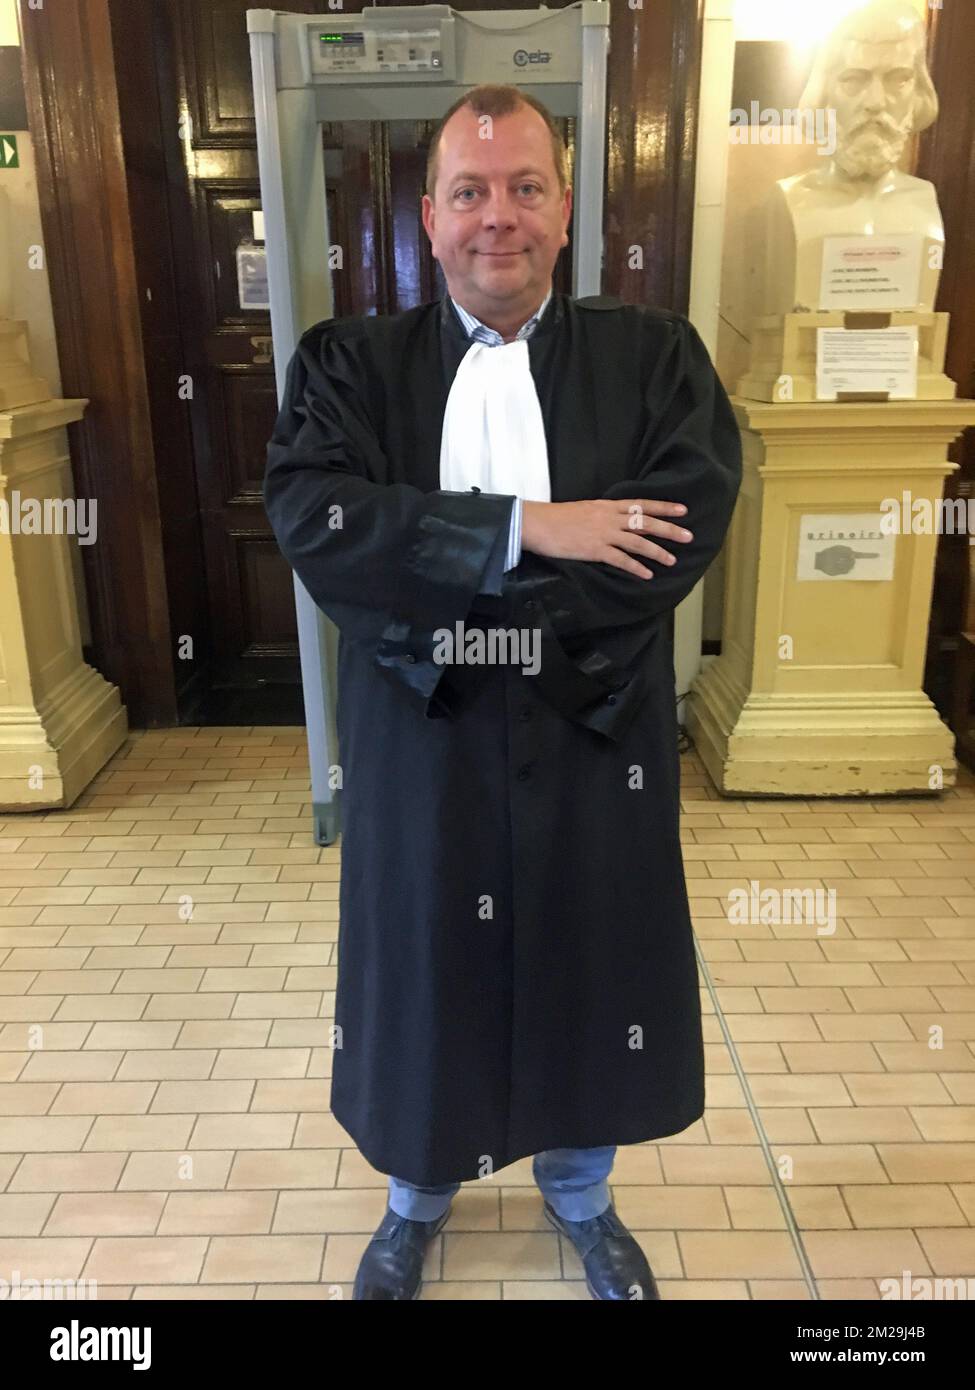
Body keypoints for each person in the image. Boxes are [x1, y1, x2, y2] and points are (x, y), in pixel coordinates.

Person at [263, 84, 742, 1301]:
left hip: (593, 736)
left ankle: (582, 1194)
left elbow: (669, 538)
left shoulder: (656, 360)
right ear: (428, 218)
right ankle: (414, 1199)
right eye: (469, 192)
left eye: (526, 187)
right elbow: (323, 521)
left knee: (592, 967)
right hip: (424, 746)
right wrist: (537, 527)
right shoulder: (348, 366)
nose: (499, 218)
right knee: (430, 974)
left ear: (566, 210)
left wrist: (458, 600)